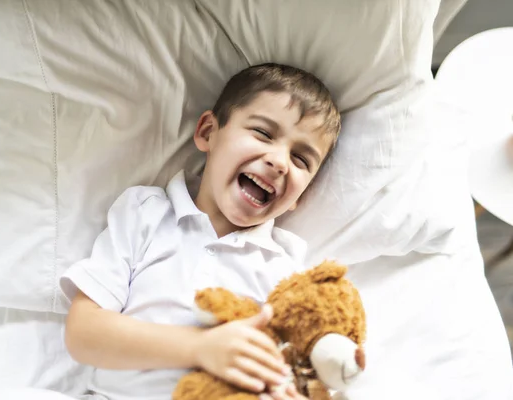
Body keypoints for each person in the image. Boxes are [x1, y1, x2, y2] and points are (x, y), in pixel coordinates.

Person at [60, 63, 341, 400]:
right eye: (264, 133)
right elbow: (83, 334)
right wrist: (199, 347)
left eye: (300, 160)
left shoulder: (287, 272)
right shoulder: (146, 213)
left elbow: (293, 368)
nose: (280, 161)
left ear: (302, 195)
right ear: (209, 132)